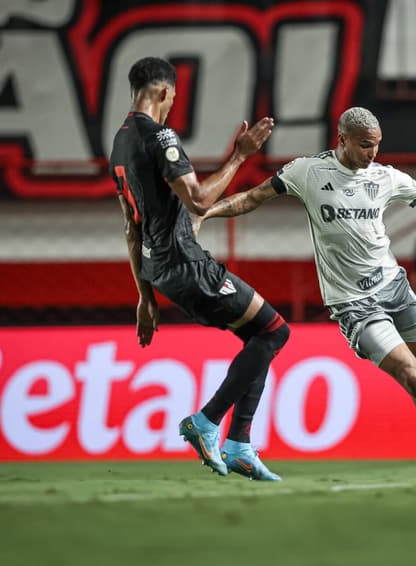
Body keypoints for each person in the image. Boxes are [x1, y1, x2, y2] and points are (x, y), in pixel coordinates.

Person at [196, 107, 416, 478]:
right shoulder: (308, 172)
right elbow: (253, 197)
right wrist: (207, 213)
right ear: (342, 138)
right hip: (354, 306)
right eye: (365, 146)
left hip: (395, 288)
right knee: (414, 376)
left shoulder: (385, 177)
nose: (372, 154)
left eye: (377, 146)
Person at [109, 57, 287, 481]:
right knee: (275, 331)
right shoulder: (160, 135)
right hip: (186, 263)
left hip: (159, 269)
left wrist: (144, 296)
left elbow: (130, 229)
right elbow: (200, 201)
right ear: (165, 92)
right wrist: (240, 156)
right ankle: (208, 422)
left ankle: (240, 444)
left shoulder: (120, 142)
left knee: (258, 337)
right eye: (172, 98)